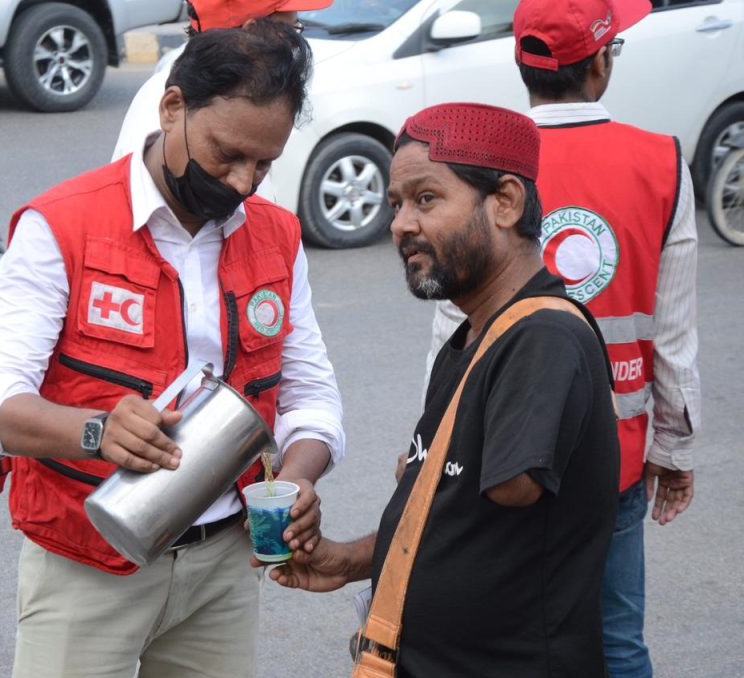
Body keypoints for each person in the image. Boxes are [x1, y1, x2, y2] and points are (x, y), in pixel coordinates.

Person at [0, 21, 345, 678]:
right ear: (173, 108)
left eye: (265, 163)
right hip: (85, 564)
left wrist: (301, 480)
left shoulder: (277, 237)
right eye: (227, 154)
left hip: (224, 568)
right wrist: (96, 431)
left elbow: (311, 396)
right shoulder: (62, 227)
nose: (246, 182)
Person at [263, 103, 621, 676]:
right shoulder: (472, 338)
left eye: (426, 199)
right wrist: (351, 559)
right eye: (396, 205)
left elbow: (505, 495)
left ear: (505, 202)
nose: (401, 224)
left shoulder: (541, 336)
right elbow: (453, 517)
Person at [425, 1, 701, 674]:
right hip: (616, 456)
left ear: (522, 64)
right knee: (616, 640)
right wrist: (676, 445)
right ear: (601, 63)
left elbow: (451, 327)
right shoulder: (660, 162)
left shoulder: (487, 164)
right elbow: (674, 329)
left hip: (496, 450)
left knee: (500, 638)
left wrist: (429, 446)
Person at [111, 0, 332, 191]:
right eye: (292, 31)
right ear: (251, 31)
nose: (243, 184)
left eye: (262, 163)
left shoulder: (241, 96)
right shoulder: (179, 98)